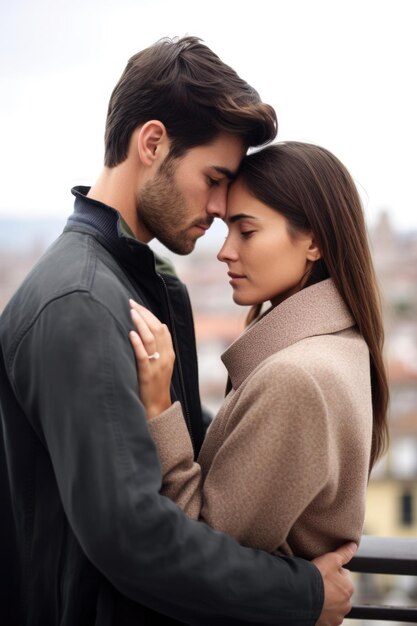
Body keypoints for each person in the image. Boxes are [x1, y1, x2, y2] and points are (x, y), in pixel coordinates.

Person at [0, 36, 355, 626]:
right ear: (153, 142)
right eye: (213, 177)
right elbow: (130, 534)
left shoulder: (145, 282)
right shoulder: (82, 302)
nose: (220, 206)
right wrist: (302, 595)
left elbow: (186, 455)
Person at [129, 141, 389, 560]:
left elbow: (205, 553)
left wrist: (159, 405)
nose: (225, 251)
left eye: (246, 231)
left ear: (314, 242)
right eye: (227, 230)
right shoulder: (343, 345)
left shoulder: (296, 378)